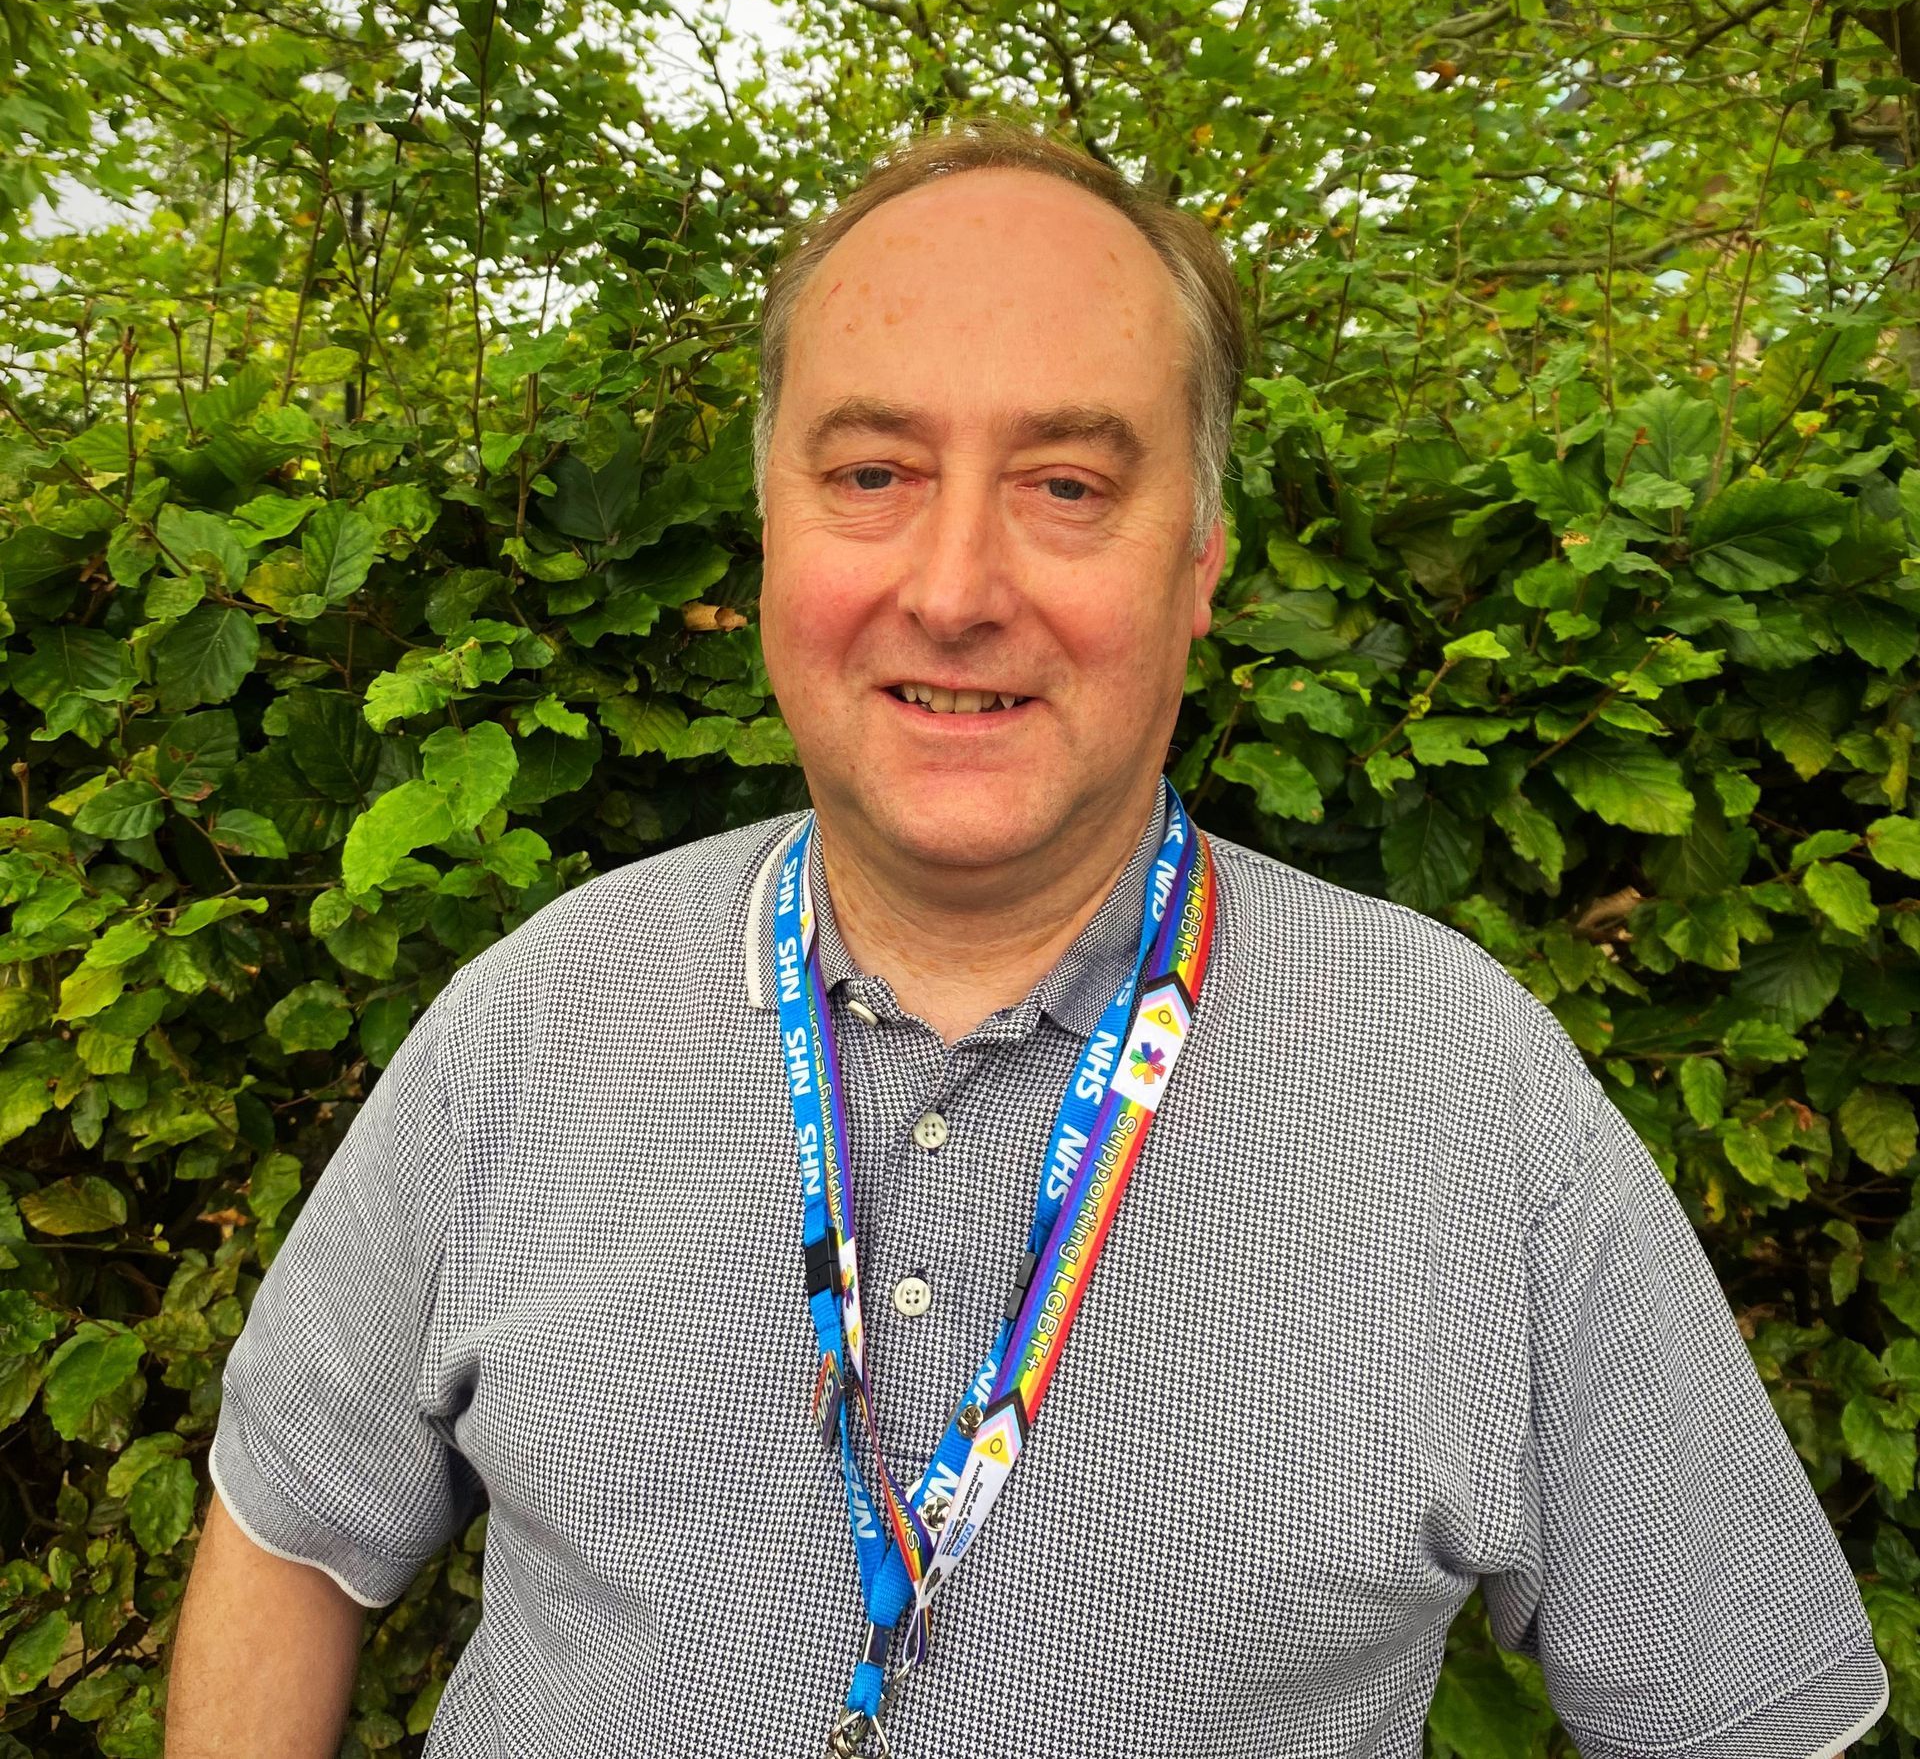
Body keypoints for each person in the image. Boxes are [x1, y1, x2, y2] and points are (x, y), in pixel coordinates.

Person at [165, 120, 1889, 1759]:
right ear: (771, 531)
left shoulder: (1468, 1091)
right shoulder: (533, 1019)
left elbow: (1749, 1716)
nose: (956, 583)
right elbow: (291, 1529)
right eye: (872, 471)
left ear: (1198, 561)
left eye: (1067, 483)